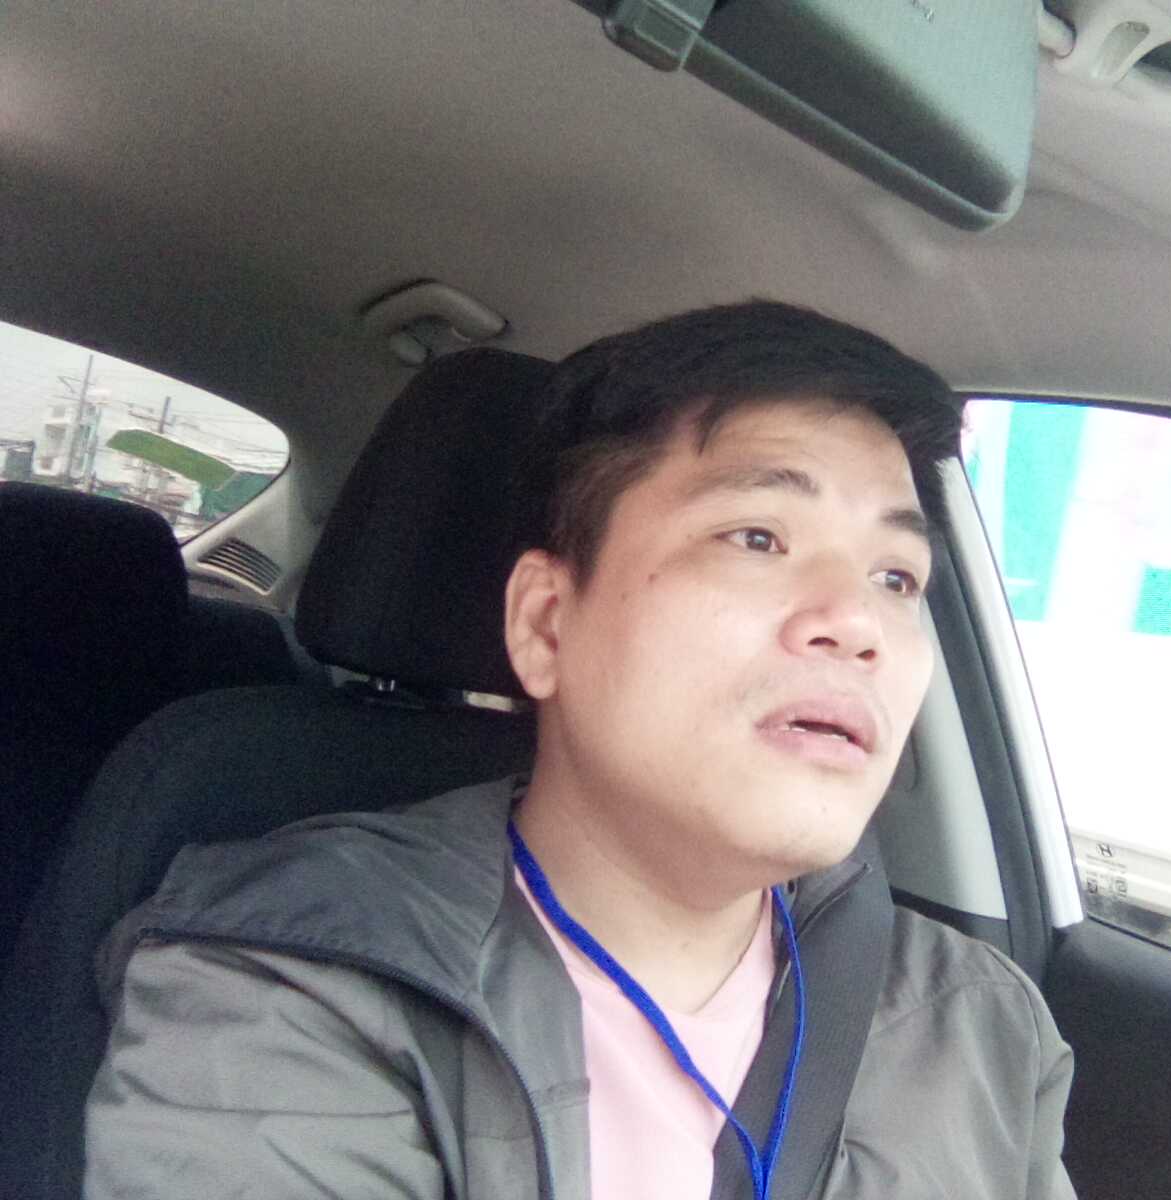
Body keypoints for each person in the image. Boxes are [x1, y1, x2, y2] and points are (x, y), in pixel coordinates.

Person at [84, 301, 1078, 1199]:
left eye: (896, 578)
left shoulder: (981, 1024)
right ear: (547, 623)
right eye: (757, 538)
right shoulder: (291, 987)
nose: (856, 623)